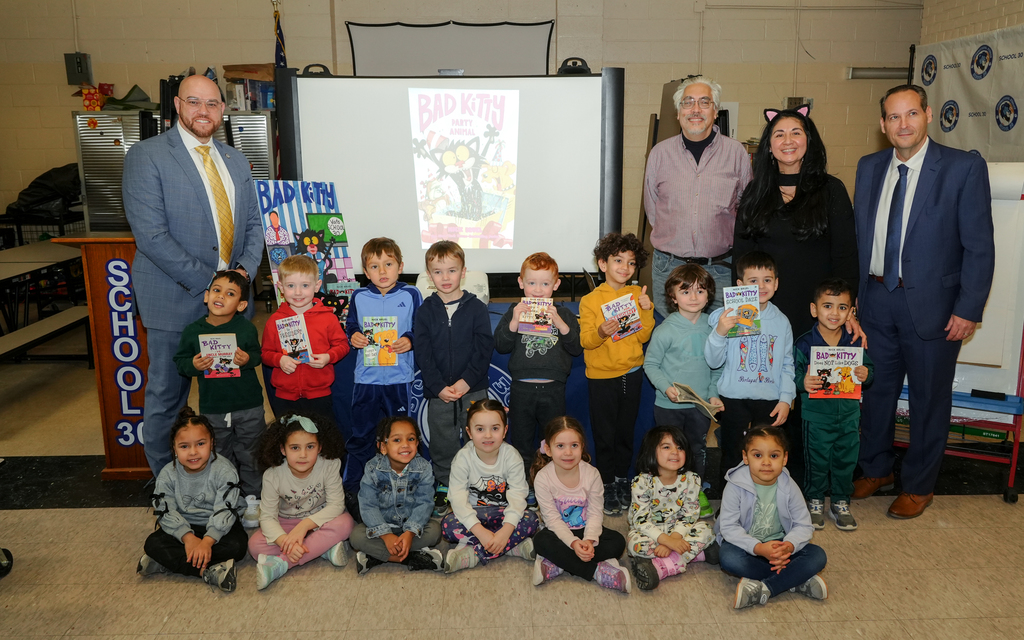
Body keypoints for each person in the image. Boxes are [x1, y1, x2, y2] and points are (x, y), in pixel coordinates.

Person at [852, 84, 995, 519]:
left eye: (911, 114)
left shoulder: (962, 168)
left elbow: (979, 246)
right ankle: (876, 469)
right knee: (874, 391)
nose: (903, 124)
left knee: (929, 399)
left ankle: (918, 484)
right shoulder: (869, 166)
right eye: (893, 117)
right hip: (876, 299)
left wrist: (969, 308)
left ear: (928, 115)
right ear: (882, 124)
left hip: (935, 307)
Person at [123, 74, 265, 477]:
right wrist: (214, 286)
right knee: (168, 398)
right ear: (178, 106)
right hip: (173, 298)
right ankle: (170, 490)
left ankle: (223, 483)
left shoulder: (235, 159)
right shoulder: (147, 156)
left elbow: (253, 225)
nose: (204, 111)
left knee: (229, 397)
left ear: (223, 109)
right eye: (194, 102)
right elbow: (151, 235)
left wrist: (241, 277)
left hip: (229, 306)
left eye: (213, 103)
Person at [732, 105, 859, 336]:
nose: (788, 140)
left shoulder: (831, 190)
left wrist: (845, 309)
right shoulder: (755, 192)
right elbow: (742, 259)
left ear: (809, 141)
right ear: (769, 146)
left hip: (818, 313)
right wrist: (743, 315)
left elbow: (846, 258)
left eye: (796, 133)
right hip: (764, 310)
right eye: (779, 134)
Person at [643, 75, 753, 317]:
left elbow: (747, 210)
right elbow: (653, 209)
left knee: (721, 339)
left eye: (704, 102)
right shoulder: (659, 154)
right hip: (669, 268)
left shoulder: (736, 154)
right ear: (678, 112)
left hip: (721, 271)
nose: (695, 109)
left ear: (715, 111)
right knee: (673, 341)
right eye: (687, 102)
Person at [414, 240, 494, 516]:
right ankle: (446, 484)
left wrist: (465, 383)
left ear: (463, 271)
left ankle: (480, 482)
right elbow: (422, 354)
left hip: (473, 390)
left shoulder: (477, 309)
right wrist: (438, 387)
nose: (445, 277)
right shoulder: (425, 311)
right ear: (428, 274)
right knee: (443, 439)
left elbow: (484, 350)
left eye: (451, 270)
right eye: (438, 271)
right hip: (439, 393)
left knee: (480, 437)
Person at [705, 251, 795, 491]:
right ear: (740, 285)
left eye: (767, 279)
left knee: (767, 454)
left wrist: (787, 398)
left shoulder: (782, 321)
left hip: (769, 400)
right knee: (734, 451)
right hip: (733, 398)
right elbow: (713, 361)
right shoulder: (724, 316)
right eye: (753, 280)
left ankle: (765, 502)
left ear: (776, 283)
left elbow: (787, 363)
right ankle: (731, 503)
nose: (761, 286)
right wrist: (721, 331)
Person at [579, 232, 655, 515]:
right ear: (602, 264)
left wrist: (647, 310)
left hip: (632, 373)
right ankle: (607, 482)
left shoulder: (637, 295)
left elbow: (645, 334)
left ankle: (623, 480)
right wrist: (601, 332)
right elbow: (586, 340)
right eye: (617, 260)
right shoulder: (590, 300)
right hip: (601, 377)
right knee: (604, 434)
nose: (625, 267)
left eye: (631, 263)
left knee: (625, 432)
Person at [494, 252, 583, 489]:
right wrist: (514, 321)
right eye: (531, 283)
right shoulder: (515, 310)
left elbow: (576, 348)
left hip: (553, 388)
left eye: (545, 284)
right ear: (521, 282)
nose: (537, 290)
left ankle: (550, 487)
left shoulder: (563, 313)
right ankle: (523, 487)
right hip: (521, 388)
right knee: (521, 442)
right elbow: (501, 345)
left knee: (553, 442)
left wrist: (561, 324)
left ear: (556, 285)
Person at [173, 270, 265, 496]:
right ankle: (226, 497)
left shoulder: (246, 328)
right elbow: (180, 362)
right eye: (217, 290)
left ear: (241, 305)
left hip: (248, 404)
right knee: (220, 454)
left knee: (252, 453)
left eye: (230, 293)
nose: (221, 296)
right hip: (214, 407)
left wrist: (247, 359)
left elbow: (256, 355)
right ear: (206, 296)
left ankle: (254, 498)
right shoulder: (193, 331)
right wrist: (193, 364)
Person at [715, 425, 827, 609]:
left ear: (785, 458)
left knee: (817, 555)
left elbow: (804, 525)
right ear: (745, 457)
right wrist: (759, 548)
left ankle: (768, 586)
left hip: (780, 545)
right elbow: (728, 528)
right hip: (747, 546)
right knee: (728, 558)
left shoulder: (789, 485)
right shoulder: (735, 485)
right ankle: (796, 579)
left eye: (774, 456)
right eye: (757, 455)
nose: (766, 462)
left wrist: (788, 546)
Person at [137, 407, 247, 593]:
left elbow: (226, 511)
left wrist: (206, 542)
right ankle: (207, 572)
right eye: (184, 446)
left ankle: (166, 563)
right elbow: (165, 510)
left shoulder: (224, 470)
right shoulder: (167, 473)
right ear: (174, 448)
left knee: (238, 547)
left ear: (212, 443)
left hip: (218, 527)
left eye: (200, 444)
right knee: (152, 543)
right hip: (184, 527)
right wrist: (188, 538)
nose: (193, 452)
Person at [343, 238, 422, 496]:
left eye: (388, 264)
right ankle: (354, 488)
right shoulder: (359, 295)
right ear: (366, 272)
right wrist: (353, 336)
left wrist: (410, 340)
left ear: (400, 266)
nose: (383, 271)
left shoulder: (411, 294)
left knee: (402, 436)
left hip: (400, 379)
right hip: (367, 379)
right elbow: (352, 326)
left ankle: (408, 487)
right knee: (362, 434)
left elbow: (420, 328)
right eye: (375, 266)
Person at [794, 279, 874, 531]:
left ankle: (840, 501)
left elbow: (870, 370)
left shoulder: (854, 341)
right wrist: (802, 381)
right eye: (827, 306)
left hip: (849, 417)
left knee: (845, 461)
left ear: (851, 312)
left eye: (842, 308)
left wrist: (865, 374)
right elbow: (791, 374)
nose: (835, 313)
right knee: (816, 461)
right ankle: (815, 500)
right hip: (816, 417)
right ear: (814, 309)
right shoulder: (805, 343)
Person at [643, 263, 722, 512]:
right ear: (673, 297)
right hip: (668, 406)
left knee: (697, 448)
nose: (693, 297)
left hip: (700, 406)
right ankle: (667, 495)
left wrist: (713, 394)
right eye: (685, 291)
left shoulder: (714, 327)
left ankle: (695, 492)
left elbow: (718, 366)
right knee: (668, 451)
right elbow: (651, 364)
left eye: (700, 291)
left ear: (709, 294)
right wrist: (666, 387)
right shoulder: (665, 329)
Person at [247, 413, 354, 590]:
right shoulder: (272, 475)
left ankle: (281, 564)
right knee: (255, 546)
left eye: (310, 447)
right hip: (286, 522)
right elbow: (267, 518)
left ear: (320, 447)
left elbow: (336, 505)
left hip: (320, 520)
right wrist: (282, 540)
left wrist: (304, 526)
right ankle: (322, 549)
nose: (303, 455)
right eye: (295, 448)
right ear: (283, 449)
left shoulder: (330, 464)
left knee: (346, 523)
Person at [530, 416, 630, 593]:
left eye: (574, 445)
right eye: (560, 446)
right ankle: (597, 572)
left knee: (618, 542)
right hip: (558, 533)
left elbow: (595, 513)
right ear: (548, 449)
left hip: (586, 531)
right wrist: (573, 543)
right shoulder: (543, 477)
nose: (568, 452)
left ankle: (559, 564)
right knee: (540, 541)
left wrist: (589, 540)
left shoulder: (591, 474)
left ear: (582, 446)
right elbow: (552, 520)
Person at [440, 399, 540, 573]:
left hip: (503, 515)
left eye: (495, 428)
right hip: (475, 516)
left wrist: (506, 530)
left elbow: (518, 494)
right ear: (469, 432)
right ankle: (511, 547)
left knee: (532, 519)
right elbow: (457, 497)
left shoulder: (511, 456)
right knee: (448, 525)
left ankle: (475, 554)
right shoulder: (463, 458)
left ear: (505, 431)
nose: (488, 435)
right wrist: (480, 531)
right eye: (480, 429)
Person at [350, 417, 444, 574]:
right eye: (397, 440)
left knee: (435, 531)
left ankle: (377, 556)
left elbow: (425, 503)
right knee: (356, 536)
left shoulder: (424, 468)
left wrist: (409, 533)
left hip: (411, 529)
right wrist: (386, 535)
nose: (405, 444)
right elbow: (368, 505)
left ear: (417, 443)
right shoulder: (373, 469)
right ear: (383, 447)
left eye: (411, 439)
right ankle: (411, 558)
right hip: (381, 527)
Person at [261, 255, 350, 421]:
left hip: (320, 394)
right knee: (288, 438)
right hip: (285, 396)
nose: (297, 292)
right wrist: (279, 359)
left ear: (317, 286)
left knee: (321, 437)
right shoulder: (274, 320)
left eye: (305, 285)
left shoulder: (328, 318)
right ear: (280, 287)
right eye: (290, 286)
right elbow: (265, 353)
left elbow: (343, 345)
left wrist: (328, 357)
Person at [627, 426, 716, 591]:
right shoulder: (642, 482)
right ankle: (694, 555)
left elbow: (690, 515)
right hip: (650, 531)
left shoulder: (692, 480)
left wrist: (672, 540)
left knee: (706, 529)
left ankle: (662, 565)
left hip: (679, 530)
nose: (675, 451)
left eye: (680, 447)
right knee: (635, 543)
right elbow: (640, 520)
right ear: (651, 452)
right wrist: (666, 540)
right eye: (666, 447)